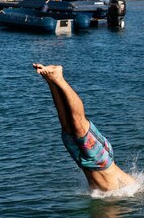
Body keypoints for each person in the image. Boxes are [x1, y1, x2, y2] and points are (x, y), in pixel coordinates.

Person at [33, 64, 136, 192]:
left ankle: (51, 80)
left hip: (83, 161)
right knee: (78, 123)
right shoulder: (127, 190)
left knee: (65, 122)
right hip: (100, 160)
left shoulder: (118, 192)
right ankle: (59, 78)